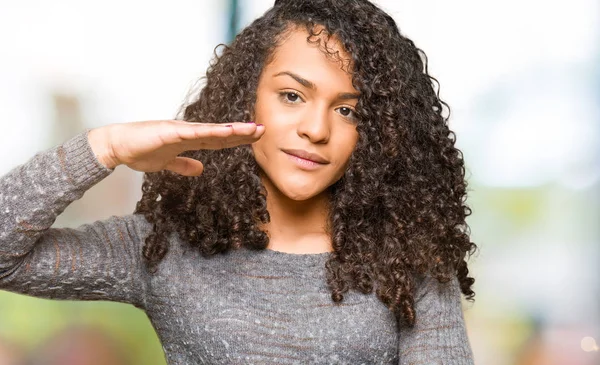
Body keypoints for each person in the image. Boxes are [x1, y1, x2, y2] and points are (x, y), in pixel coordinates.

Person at [0, 0, 478, 363]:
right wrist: (104, 148)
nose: (316, 129)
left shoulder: (404, 260)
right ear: (247, 98)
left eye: (348, 110)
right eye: (292, 95)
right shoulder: (163, 245)